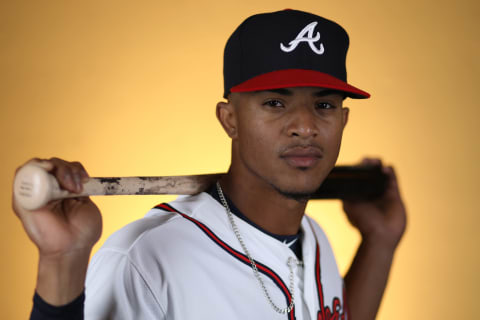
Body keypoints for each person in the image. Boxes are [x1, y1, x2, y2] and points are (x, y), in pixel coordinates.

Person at [13, 9, 407, 320]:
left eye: (324, 105)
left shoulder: (313, 238)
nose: (305, 126)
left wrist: (380, 243)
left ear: (343, 121)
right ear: (229, 119)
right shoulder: (146, 259)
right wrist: (61, 263)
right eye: (275, 102)